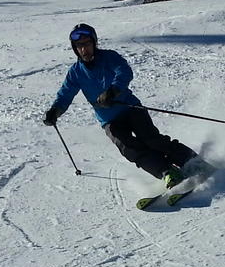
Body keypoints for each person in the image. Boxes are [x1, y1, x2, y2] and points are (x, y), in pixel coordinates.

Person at [44, 23, 197, 187]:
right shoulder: (75, 72)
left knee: (151, 139)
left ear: (94, 43)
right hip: (109, 120)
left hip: (130, 108)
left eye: (87, 44)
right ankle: (167, 172)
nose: (84, 49)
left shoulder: (109, 57)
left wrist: (113, 91)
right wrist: (55, 111)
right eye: (79, 46)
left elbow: (124, 71)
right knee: (129, 149)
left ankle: (192, 161)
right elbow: (65, 94)